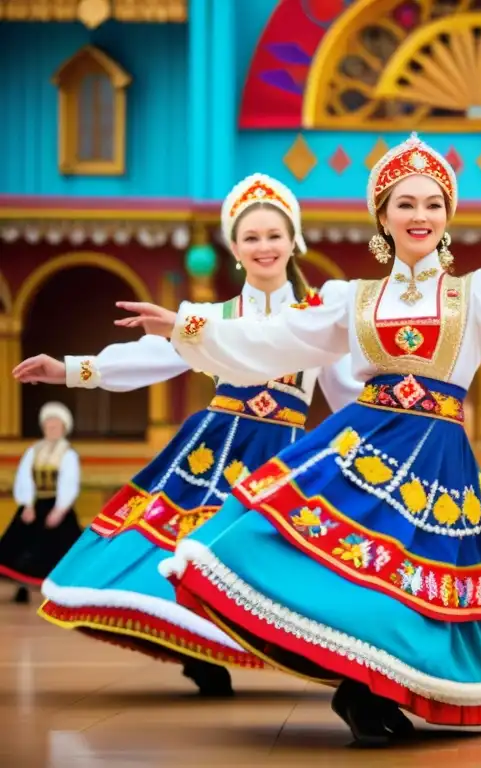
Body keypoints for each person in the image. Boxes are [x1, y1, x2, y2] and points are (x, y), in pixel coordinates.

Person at [113, 133, 481, 746]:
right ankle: (360, 689)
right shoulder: (352, 299)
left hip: (437, 455)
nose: (420, 215)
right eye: (405, 204)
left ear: (448, 215)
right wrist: (188, 325)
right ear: (383, 216)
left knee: (415, 578)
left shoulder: (477, 292)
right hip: (365, 446)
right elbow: (274, 340)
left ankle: (375, 689)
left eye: (432, 203)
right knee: (356, 567)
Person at [13, 173, 364, 697]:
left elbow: (346, 392)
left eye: (274, 235)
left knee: (275, 551)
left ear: (293, 242)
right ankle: (194, 645)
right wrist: (68, 370)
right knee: (184, 544)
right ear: (236, 250)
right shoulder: (209, 316)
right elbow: (147, 358)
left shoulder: (318, 318)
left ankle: (278, 644)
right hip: (218, 445)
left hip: (283, 453)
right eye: (251, 238)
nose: (264, 246)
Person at [0, 402, 81, 603]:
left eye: (55, 426)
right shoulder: (34, 451)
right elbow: (24, 478)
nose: (51, 429)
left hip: (57, 506)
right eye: (48, 425)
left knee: (61, 549)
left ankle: (62, 593)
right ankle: (22, 589)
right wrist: (27, 505)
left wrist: (60, 510)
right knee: (22, 546)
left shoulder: (68, 454)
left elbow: (69, 482)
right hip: (35, 505)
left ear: (63, 428)